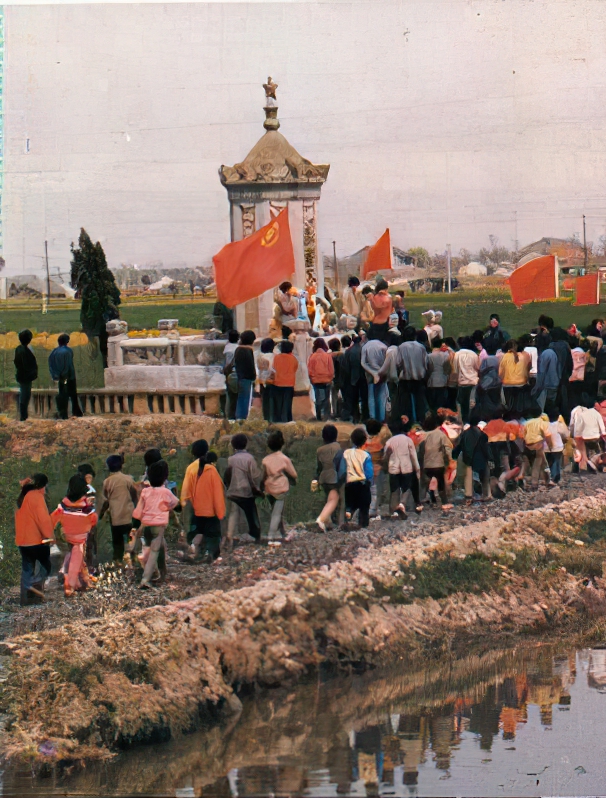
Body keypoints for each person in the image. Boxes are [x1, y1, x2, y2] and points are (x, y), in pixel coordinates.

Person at [132, 460, 179, 588]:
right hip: (158, 526)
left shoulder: (145, 492)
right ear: (165, 478)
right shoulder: (165, 492)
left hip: (146, 524)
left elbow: (137, 513)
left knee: (152, 547)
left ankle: (161, 572)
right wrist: (166, 508)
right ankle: (146, 579)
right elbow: (175, 503)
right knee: (154, 551)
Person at [51, 474, 98, 596]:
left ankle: (85, 580)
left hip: (68, 535)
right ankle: (70, 585)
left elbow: (53, 518)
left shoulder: (64, 505)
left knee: (78, 556)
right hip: (80, 537)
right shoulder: (86, 507)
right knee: (76, 560)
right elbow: (94, 519)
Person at [180, 439, 226, 562]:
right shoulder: (211, 470)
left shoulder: (190, 468)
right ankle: (210, 554)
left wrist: (184, 504)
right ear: (207, 451)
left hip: (196, 510)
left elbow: (185, 491)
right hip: (210, 511)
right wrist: (220, 512)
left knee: (198, 531)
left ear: (193, 453)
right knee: (213, 535)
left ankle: (196, 552)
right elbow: (217, 493)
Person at [15, 473, 54, 605]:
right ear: (40, 486)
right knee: (46, 566)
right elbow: (43, 520)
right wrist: (50, 537)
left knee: (27, 569)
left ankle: (25, 600)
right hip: (36, 540)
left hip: (22, 541)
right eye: (45, 487)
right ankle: (35, 587)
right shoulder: (36, 497)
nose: (45, 490)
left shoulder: (22, 497)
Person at [99, 454, 138, 563]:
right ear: (121, 466)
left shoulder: (107, 482)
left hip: (115, 518)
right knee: (132, 540)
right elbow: (135, 496)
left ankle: (118, 563)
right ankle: (133, 561)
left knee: (117, 543)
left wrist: (100, 515)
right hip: (129, 516)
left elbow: (106, 500)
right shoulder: (128, 479)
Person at [224, 433, 262, 545]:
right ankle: (255, 534)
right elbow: (254, 475)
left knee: (233, 512)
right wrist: (258, 487)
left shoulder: (230, 459)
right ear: (246, 444)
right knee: (251, 513)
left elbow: (228, 474)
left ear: (233, 446)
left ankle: (230, 535)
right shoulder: (249, 458)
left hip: (233, 490)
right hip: (246, 491)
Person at [261, 430, 297, 546]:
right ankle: (271, 536)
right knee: (277, 512)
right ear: (282, 443)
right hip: (280, 489)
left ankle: (281, 532)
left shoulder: (265, 460)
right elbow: (294, 474)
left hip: (269, 488)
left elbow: (263, 475)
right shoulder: (284, 459)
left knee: (276, 511)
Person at [335, 427, 374, 528]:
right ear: (365, 441)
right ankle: (363, 525)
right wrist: (370, 482)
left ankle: (348, 515)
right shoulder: (366, 455)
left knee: (350, 504)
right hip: (362, 483)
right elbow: (369, 472)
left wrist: (341, 479)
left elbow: (342, 469)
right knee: (364, 506)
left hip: (350, 483)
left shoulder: (346, 453)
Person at [453, 407, 492, 503]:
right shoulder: (482, 434)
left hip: (468, 458)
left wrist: (454, 455)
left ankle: (468, 495)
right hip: (480, 458)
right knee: (485, 476)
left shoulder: (464, 434)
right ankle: (486, 494)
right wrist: (490, 458)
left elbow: (459, 446)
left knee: (468, 475)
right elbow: (485, 448)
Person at [383, 421, 422, 518]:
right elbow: (413, 456)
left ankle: (393, 511)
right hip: (407, 467)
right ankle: (402, 504)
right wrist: (417, 470)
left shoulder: (389, 441)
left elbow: (385, 457)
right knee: (406, 488)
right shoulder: (408, 440)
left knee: (394, 489)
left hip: (393, 468)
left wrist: (385, 467)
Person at [418, 415, 453, 511]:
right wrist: (450, 459)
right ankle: (444, 502)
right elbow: (447, 448)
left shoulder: (424, 436)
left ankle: (430, 501)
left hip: (427, 464)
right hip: (438, 463)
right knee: (440, 484)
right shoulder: (440, 434)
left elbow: (420, 451)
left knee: (428, 483)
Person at [396, 327, 429, 423]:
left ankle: (407, 421)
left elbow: (398, 363)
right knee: (420, 402)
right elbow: (425, 362)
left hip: (405, 378)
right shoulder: (421, 347)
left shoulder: (401, 347)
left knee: (405, 403)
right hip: (419, 378)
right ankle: (421, 421)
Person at [48, 334, 83, 420]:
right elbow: (67, 365)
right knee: (72, 394)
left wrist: (55, 375)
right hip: (69, 376)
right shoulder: (68, 351)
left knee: (63, 393)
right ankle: (75, 412)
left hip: (60, 377)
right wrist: (65, 375)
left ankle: (63, 413)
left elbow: (51, 364)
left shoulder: (54, 352)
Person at [315, 424, 342, 532]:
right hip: (333, 476)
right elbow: (340, 462)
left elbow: (319, 466)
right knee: (333, 499)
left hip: (323, 476)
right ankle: (321, 519)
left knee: (328, 498)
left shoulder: (319, 450)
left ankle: (328, 521)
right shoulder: (337, 447)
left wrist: (315, 478)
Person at [570, 397, 606, 471]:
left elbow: (578, 429)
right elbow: (602, 429)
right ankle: (593, 462)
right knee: (597, 450)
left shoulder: (581, 415)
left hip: (585, 438)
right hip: (596, 438)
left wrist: (575, 437)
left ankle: (584, 461)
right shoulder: (597, 414)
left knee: (582, 448)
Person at [340, 335, 368, 422]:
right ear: (360, 342)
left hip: (352, 378)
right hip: (363, 378)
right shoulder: (363, 350)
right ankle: (365, 417)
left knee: (353, 399)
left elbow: (345, 366)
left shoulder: (348, 351)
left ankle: (355, 417)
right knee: (364, 398)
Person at [230, 330, 256, 421]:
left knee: (240, 398)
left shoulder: (238, 349)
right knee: (246, 399)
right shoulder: (248, 350)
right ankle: (242, 417)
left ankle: (238, 417)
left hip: (239, 376)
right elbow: (251, 366)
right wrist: (254, 377)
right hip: (247, 378)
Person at [522, 408, 552, 489]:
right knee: (538, 463)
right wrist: (550, 446)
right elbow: (548, 435)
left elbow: (523, 435)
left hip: (528, 445)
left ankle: (522, 480)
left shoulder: (526, 423)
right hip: (538, 444)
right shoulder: (542, 423)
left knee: (527, 464)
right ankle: (535, 483)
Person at [453, 337, 480, 424]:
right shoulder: (474, 354)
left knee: (463, 405)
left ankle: (465, 423)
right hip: (473, 382)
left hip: (462, 383)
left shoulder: (456, 354)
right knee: (472, 404)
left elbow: (455, 369)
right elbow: (477, 368)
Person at [499, 340, 531, 414]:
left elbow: (500, 372)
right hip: (521, 383)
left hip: (507, 383)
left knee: (508, 404)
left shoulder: (505, 356)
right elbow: (525, 370)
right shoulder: (522, 356)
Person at [361, 337, 388, 422]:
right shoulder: (383, 346)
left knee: (371, 397)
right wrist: (381, 371)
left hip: (369, 375)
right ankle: (382, 418)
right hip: (382, 374)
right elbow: (387, 361)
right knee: (381, 396)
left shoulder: (365, 346)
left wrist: (373, 373)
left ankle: (373, 418)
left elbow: (363, 363)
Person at [271, 340, 298, 422]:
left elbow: (273, 367)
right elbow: (295, 368)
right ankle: (287, 419)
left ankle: (278, 419)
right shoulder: (293, 358)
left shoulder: (276, 357)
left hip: (277, 383)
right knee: (287, 403)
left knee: (278, 403)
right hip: (289, 383)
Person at [307, 338, 335, 421]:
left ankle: (319, 416)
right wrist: (330, 378)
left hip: (317, 381)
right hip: (326, 380)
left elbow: (310, 370)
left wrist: (312, 379)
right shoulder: (327, 356)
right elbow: (331, 369)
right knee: (326, 399)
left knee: (319, 399)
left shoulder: (312, 356)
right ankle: (326, 416)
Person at [14, 329, 38, 421]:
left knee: (24, 395)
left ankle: (23, 415)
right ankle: (23, 416)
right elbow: (27, 364)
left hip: (21, 375)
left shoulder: (18, 349)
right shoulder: (25, 350)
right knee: (25, 395)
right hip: (25, 376)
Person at [532, 346, 561, 414]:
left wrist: (537, 386)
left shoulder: (546, 353)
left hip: (547, 385)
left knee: (543, 408)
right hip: (555, 383)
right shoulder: (555, 353)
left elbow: (542, 371)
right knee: (551, 406)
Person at [426, 338, 451, 413]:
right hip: (442, 380)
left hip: (432, 381)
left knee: (432, 404)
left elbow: (428, 369)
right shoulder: (446, 356)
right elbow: (448, 369)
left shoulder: (429, 356)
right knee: (441, 404)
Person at [546, 406, 569, 484]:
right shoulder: (559, 425)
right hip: (557, 446)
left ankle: (550, 477)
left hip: (547, 447)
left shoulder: (545, 425)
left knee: (550, 461)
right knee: (556, 461)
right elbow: (566, 435)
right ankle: (555, 477)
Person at [256, 338, 276, 422]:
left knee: (265, 401)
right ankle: (273, 418)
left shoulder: (259, 356)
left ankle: (266, 419)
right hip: (272, 381)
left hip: (262, 381)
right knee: (273, 400)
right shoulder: (274, 356)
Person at [222, 329, 240, 420]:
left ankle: (229, 415)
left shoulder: (227, 348)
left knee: (230, 396)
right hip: (237, 373)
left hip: (229, 373)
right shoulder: (238, 348)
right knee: (237, 397)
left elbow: (225, 362)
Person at [328, 338, 343, 418]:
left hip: (333, 378)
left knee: (334, 396)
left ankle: (335, 412)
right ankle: (342, 412)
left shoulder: (329, 356)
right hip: (343, 378)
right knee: (344, 396)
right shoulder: (343, 354)